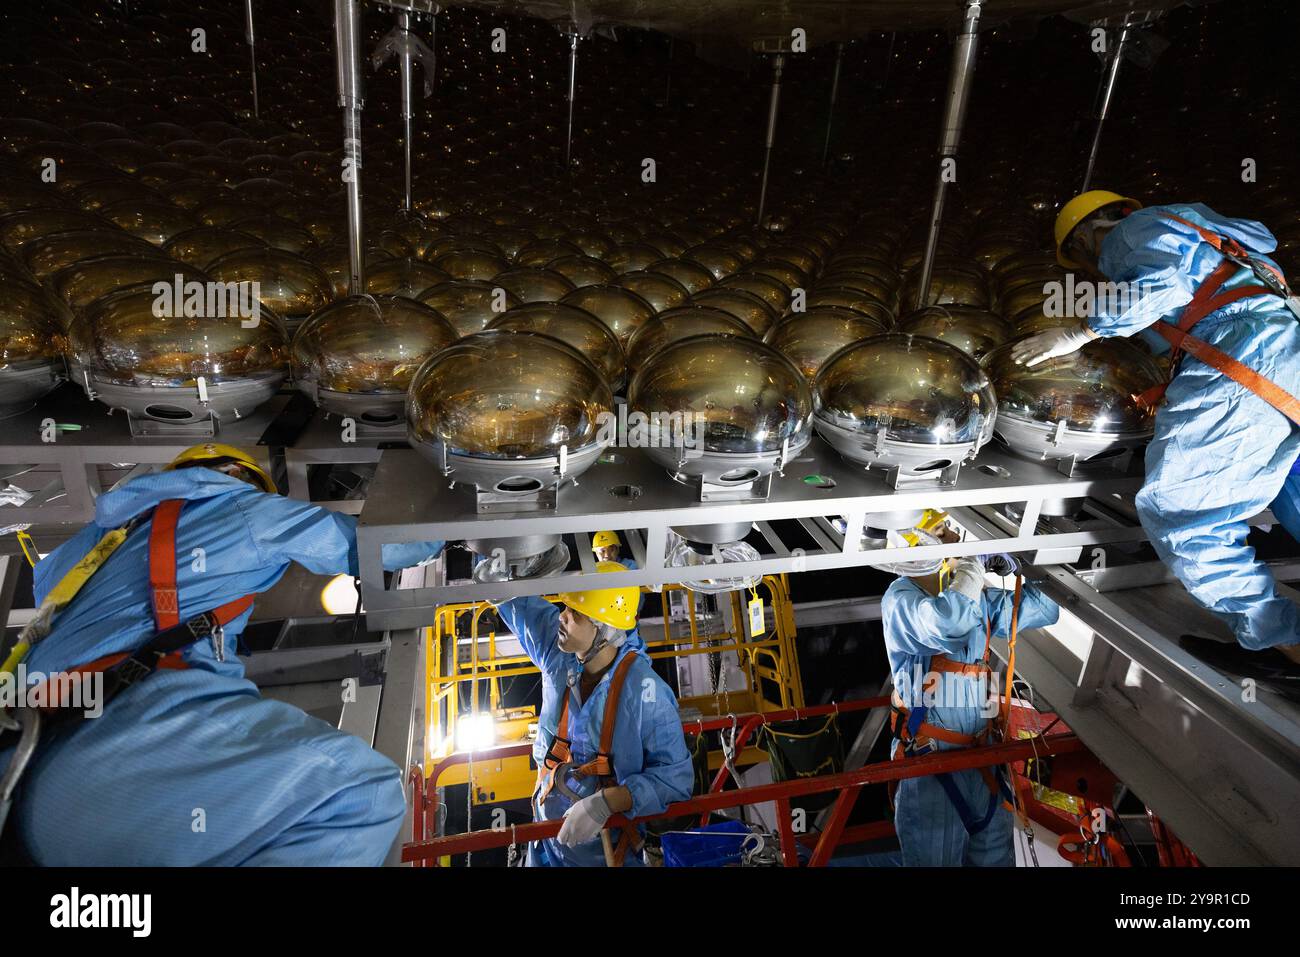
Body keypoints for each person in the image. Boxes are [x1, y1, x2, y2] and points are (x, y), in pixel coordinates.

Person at [0, 443, 443, 866]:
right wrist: (448, 527)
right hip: (114, 746)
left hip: (29, 753)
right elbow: (381, 546)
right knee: (359, 794)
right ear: (237, 478)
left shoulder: (89, 547)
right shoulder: (239, 508)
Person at [1012, 191, 1300, 665]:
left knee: (1183, 512)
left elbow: (1159, 288)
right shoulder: (1208, 235)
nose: (1097, 267)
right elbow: (1173, 318)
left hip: (1242, 362)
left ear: (1091, 231)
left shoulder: (1134, 230)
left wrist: (1082, 331)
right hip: (1280, 352)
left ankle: (1281, 641)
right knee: (1292, 490)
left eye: (1084, 255)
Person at [491, 561, 693, 866]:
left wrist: (608, 801)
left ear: (604, 630)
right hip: (546, 845)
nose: (563, 616)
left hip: (606, 852)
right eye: (566, 607)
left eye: (577, 614)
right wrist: (493, 557)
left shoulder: (646, 692)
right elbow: (513, 598)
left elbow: (675, 781)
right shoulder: (560, 651)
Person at [880, 526, 1059, 866]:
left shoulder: (968, 595)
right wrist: (972, 564)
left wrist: (1028, 563)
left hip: (982, 763)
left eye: (950, 532)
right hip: (931, 766)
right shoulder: (900, 601)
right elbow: (950, 624)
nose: (950, 538)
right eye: (941, 532)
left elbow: (1046, 608)